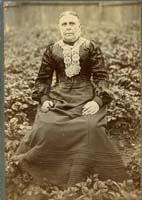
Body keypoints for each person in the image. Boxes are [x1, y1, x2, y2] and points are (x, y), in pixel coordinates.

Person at [15, 11, 127, 188]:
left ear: (80, 27)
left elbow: (101, 77)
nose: (68, 27)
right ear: (59, 28)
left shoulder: (91, 47)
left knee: (89, 127)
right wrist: (44, 99)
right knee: (48, 126)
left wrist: (96, 102)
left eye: (72, 24)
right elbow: (43, 78)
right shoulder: (52, 49)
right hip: (59, 97)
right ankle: (47, 173)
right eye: (64, 24)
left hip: (86, 97)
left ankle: (86, 170)